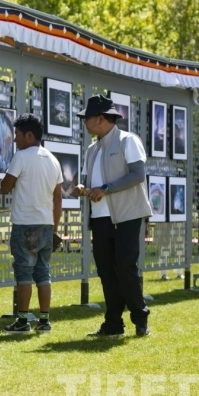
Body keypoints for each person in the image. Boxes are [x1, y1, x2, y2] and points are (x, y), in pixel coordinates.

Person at [71, 95, 153, 337]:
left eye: (87, 118)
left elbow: (138, 175)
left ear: (100, 118)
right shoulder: (91, 150)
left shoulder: (128, 140)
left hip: (126, 215)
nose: (84, 122)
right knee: (106, 271)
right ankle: (113, 324)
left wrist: (105, 189)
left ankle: (140, 319)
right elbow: (90, 183)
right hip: (100, 218)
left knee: (125, 267)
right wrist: (82, 188)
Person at [0, 113, 63, 333]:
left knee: (24, 272)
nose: (15, 140)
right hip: (47, 226)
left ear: (29, 135)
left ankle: (22, 321)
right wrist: (54, 229)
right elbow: (58, 199)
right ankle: (44, 321)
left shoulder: (21, 157)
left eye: (17, 134)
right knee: (43, 272)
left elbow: (5, 187)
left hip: (25, 225)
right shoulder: (53, 160)